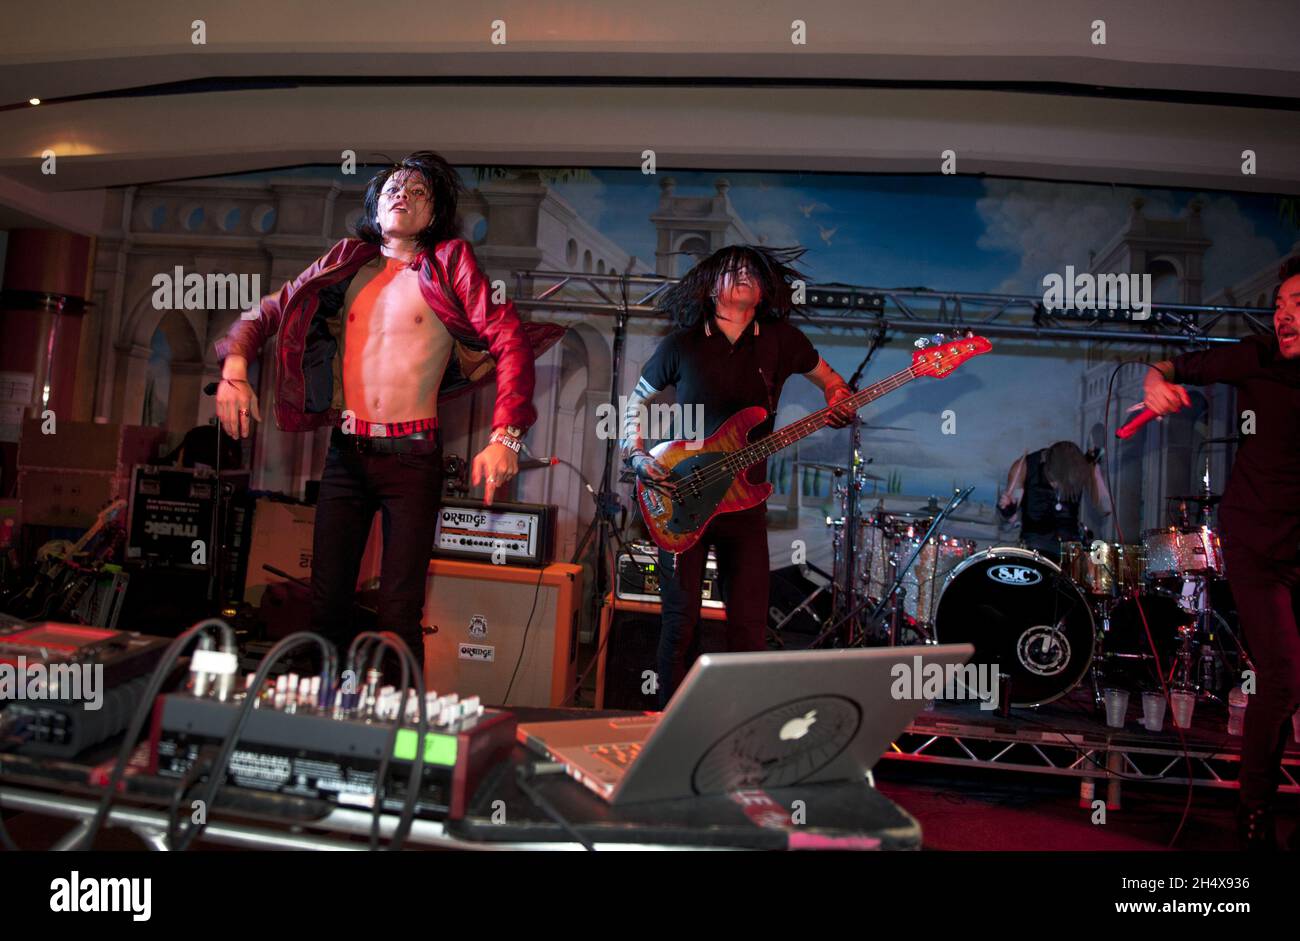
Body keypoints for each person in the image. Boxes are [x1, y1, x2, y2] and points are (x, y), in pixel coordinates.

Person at [214, 151, 562, 667]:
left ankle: (401, 733)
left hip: (412, 459)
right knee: (326, 606)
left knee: (399, 611)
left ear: (434, 213)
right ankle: (319, 726)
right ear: (375, 206)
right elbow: (264, 313)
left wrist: (506, 435)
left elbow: (508, 341)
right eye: (394, 187)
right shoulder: (342, 264)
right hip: (346, 456)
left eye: (419, 191)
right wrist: (235, 370)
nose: (404, 194)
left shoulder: (448, 264)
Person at [621, 245, 855, 706]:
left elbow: (832, 381)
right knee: (681, 619)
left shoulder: (782, 341)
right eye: (733, 270)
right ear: (710, 287)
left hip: (745, 504)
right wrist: (637, 455)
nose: (744, 275)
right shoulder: (681, 344)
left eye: (752, 270)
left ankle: (738, 728)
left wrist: (839, 395)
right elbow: (635, 405)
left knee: (749, 624)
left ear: (765, 287)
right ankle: (666, 723)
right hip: (680, 494)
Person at [1142, 255, 1300, 851]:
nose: (1283, 318)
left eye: (1298, 307)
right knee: (1282, 681)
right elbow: (1167, 364)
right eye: (1280, 307)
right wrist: (1157, 383)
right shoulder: (1254, 357)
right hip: (1258, 544)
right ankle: (1253, 817)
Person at [997, 441, 1112, 557]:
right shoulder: (1024, 467)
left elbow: (1105, 508)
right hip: (1034, 548)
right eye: (1054, 481)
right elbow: (1007, 522)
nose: (1057, 486)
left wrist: (1094, 469)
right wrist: (1008, 511)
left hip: (1070, 548)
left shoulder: (1079, 467)